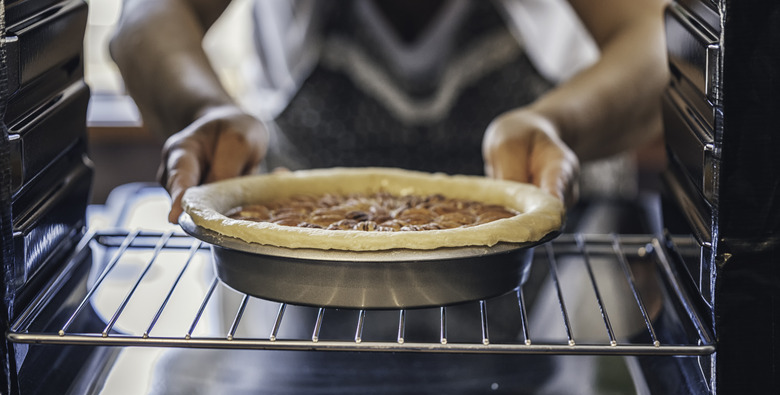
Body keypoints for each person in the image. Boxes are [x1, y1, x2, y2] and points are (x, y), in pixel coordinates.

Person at [110, 0, 669, 223]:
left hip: (558, 271)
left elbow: (657, 43)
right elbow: (145, 20)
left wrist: (557, 124)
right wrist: (205, 108)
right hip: (304, 279)